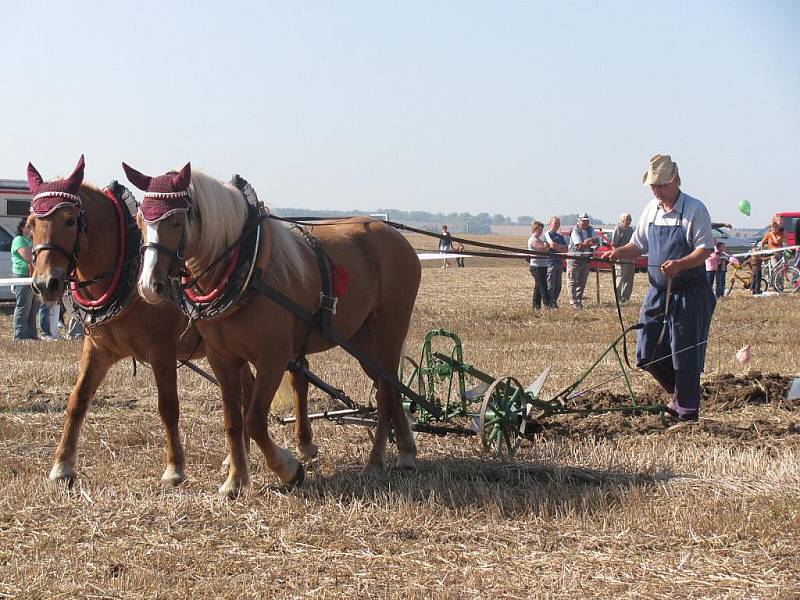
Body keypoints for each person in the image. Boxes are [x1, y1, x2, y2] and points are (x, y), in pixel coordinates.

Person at [604, 154, 715, 423]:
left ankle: (687, 412)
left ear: (676, 180)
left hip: (689, 291)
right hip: (657, 291)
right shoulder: (651, 210)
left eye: (661, 185)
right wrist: (619, 252)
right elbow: (638, 245)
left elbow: (705, 250)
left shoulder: (694, 210)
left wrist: (680, 264)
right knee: (646, 352)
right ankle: (681, 394)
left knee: (684, 352)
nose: (656, 191)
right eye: (653, 186)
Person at [11, 218, 41, 341]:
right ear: (22, 228)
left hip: (33, 276)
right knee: (23, 306)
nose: (30, 229)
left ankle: (31, 334)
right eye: (28, 227)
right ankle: (20, 335)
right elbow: (28, 257)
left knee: (33, 307)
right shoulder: (19, 240)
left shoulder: (31, 240)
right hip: (23, 276)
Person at [567, 213, 597, 308]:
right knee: (572, 282)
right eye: (584, 221)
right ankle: (573, 302)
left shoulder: (590, 229)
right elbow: (579, 246)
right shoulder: (575, 231)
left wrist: (588, 242)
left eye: (587, 221)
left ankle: (579, 301)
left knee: (582, 282)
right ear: (579, 221)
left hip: (586, 259)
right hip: (575, 260)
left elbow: (595, 240)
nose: (586, 223)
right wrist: (588, 242)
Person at [543, 216, 568, 307]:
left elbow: (566, 249)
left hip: (559, 263)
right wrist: (559, 247)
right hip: (550, 262)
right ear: (550, 224)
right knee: (550, 284)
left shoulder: (560, 236)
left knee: (558, 284)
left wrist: (558, 248)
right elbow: (552, 245)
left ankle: (554, 301)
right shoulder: (547, 234)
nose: (557, 225)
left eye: (558, 223)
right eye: (555, 223)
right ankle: (549, 302)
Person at [527, 221, 552, 309]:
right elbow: (542, 249)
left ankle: (536, 306)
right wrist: (546, 246)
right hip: (537, 267)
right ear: (535, 229)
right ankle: (549, 305)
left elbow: (545, 247)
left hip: (542, 266)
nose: (541, 231)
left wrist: (546, 246)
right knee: (543, 286)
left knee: (538, 287)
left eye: (542, 229)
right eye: (539, 229)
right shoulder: (533, 239)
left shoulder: (538, 239)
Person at [612, 213, 635, 302]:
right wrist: (615, 256)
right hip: (620, 257)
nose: (629, 221)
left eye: (630, 219)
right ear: (622, 220)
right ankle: (617, 298)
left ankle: (625, 298)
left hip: (630, 256)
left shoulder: (631, 230)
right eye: (627, 219)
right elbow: (614, 244)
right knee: (620, 277)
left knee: (629, 278)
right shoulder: (618, 229)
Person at [759, 221, 784, 288]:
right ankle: (773, 283)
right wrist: (761, 248)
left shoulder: (780, 234)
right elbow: (763, 241)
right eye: (773, 228)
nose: (774, 229)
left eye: (776, 228)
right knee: (775, 268)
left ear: (778, 228)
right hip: (772, 254)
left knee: (780, 269)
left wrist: (772, 234)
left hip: (779, 253)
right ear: (771, 228)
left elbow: (777, 241)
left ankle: (780, 284)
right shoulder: (768, 234)